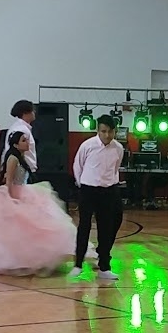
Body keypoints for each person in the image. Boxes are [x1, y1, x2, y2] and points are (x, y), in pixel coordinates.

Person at [0, 132, 75, 276]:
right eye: (23, 140)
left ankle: (30, 259)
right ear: (16, 144)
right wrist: (11, 200)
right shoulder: (13, 158)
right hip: (15, 193)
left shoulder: (21, 157)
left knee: (35, 225)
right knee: (18, 229)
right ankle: (15, 260)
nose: (27, 142)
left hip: (24, 191)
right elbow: (9, 181)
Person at [70, 114, 124, 281]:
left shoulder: (118, 148)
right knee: (84, 226)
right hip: (88, 190)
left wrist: (109, 184)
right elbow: (77, 166)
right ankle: (78, 264)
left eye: (110, 132)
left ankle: (104, 267)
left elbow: (116, 168)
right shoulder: (87, 146)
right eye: (103, 131)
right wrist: (83, 184)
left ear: (115, 131)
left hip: (108, 191)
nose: (107, 135)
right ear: (98, 130)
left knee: (106, 228)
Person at [6, 100, 37, 176]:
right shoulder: (21, 129)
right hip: (22, 170)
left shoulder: (20, 127)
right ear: (25, 113)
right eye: (32, 110)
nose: (34, 112)